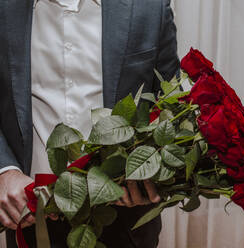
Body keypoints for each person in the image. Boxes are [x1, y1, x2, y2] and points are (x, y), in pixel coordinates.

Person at [0, 0, 179, 247]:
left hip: (126, 220)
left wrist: (152, 174)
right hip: (31, 216)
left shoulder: (149, 6)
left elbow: (171, 104)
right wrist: (4, 169)